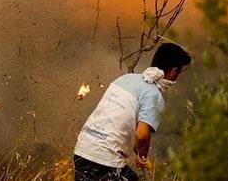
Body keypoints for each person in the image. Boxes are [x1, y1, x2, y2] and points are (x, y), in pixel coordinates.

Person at [73, 43, 191, 181]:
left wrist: (139, 153)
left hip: (82, 151)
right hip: (104, 160)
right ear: (173, 72)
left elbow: (124, 127)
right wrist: (142, 157)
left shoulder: (125, 79)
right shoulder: (153, 95)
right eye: (178, 72)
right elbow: (141, 135)